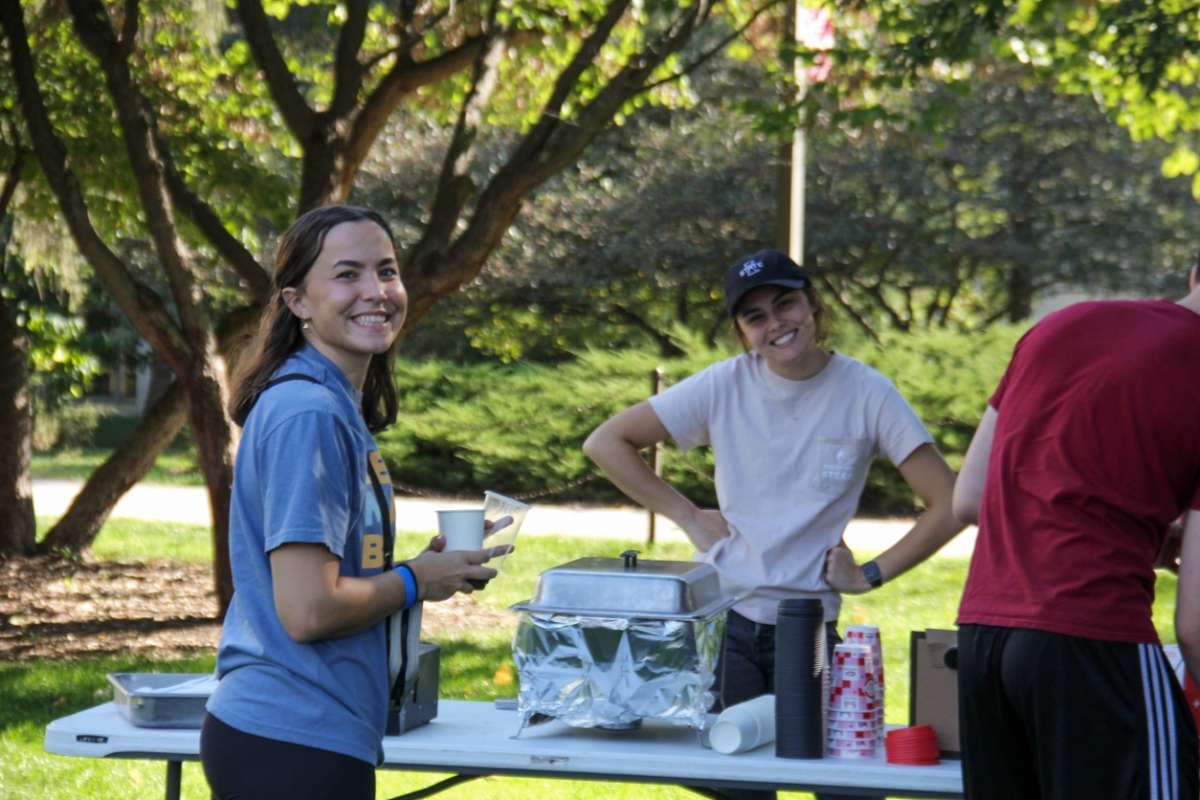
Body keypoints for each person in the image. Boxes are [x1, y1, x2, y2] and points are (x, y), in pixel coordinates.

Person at [583, 249, 962, 798]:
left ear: (813, 305)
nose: (776, 323)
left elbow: (950, 502)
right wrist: (688, 516)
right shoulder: (723, 386)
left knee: (843, 789)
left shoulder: (867, 392)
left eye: (786, 303)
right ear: (742, 332)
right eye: (755, 316)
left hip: (810, 630)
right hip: (726, 624)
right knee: (740, 789)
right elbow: (606, 443)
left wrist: (871, 575)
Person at [200, 204, 498, 800]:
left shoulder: (331, 404)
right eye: (347, 274)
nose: (377, 291)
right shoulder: (307, 412)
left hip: (312, 736)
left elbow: (329, 578)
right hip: (289, 743)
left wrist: (423, 572)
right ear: (297, 302)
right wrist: (414, 578)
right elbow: (309, 611)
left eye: (387, 271)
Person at [952, 262, 1200, 800]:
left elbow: (969, 498)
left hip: (982, 640)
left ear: (1193, 276)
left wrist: (1138, 533)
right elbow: (1197, 624)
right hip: (1093, 641)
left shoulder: (1060, 326)